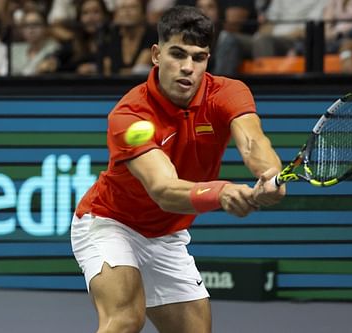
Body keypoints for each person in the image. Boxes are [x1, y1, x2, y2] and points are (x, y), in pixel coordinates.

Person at [71, 5, 285, 333]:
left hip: (166, 235)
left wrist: (270, 175)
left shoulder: (228, 93)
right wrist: (221, 192)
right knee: (126, 319)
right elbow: (164, 190)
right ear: (156, 55)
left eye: (198, 58)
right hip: (110, 222)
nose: (188, 68)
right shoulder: (129, 115)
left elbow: (253, 142)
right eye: (177, 54)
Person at [102, 0, 157, 75]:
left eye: (133, 7)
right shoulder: (110, 37)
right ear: (115, 15)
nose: (127, 11)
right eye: (123, 8)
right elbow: (107, 72)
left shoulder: (152, 35)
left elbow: (138, 72)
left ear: (143, 14)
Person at [11, 8, 60, 76]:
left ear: (45, 27)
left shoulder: (54, 48)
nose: (31, 30)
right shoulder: (16, 50)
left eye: (36, 24)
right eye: (26, 25)